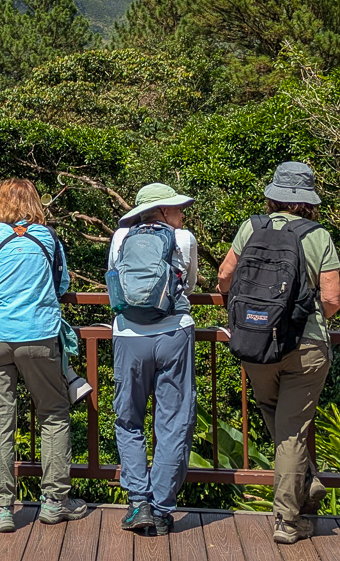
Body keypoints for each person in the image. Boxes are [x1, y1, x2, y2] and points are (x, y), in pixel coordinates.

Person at [216, 162, 340, 545]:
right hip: (306, 347)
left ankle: (308, 482)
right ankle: (288, 520)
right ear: (307, 201)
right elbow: (332, 300)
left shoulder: (250, 227)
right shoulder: (318, 235)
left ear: (273, 195)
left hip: (256, 343)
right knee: (291, 433)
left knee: (278, 421)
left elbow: (224, 278)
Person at [0, 179, 92, 532]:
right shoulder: (47, 238)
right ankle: (54, 502)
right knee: (53, 414)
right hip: (39, 334)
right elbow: (62, 284)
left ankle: (3, 507)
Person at [108, 182, 199, 536]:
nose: (181, 214)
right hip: (173, 333)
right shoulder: (184, 239)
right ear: (162, 211)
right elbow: (188, 286)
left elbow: (116, 281)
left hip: (129, 335)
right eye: (177, 208)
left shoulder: (120, 238)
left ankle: (137, 503)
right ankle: (161, 509)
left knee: (129, 418)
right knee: (174, 422)